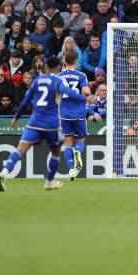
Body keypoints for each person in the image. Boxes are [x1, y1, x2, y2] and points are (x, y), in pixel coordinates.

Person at [0, 56, 92, 192]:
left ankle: (5, 171)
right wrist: (85, 99)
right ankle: (49, 181)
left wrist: (16, 118)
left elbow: (26, 101)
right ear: (58, 66)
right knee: (56, 152)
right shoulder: (58, 80)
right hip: (52, 123)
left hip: (34, 121)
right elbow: (68, 92)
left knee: (20, 150)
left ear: (46, 67)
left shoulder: (37, 81)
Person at [58, 51, 91, 181]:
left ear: (64, 61)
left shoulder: (59, 76)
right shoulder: (81, 75)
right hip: (78, 113)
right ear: (76, 61)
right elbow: (87, 92)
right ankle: (78, 151)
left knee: (67, 142)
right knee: (80, 140)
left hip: (64, 114)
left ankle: (71, 169)